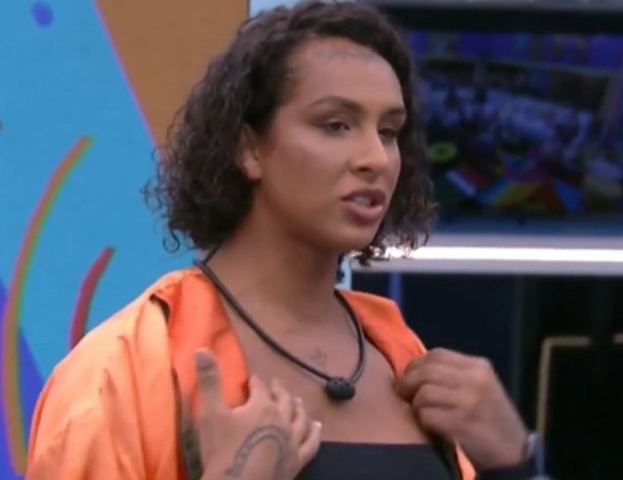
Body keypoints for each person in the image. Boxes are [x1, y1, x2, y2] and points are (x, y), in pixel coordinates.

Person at [26, 2, 543, 479]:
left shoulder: (402, 354)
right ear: (248, 148)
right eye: (336, 125)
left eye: (388, 131)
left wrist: (513, 464)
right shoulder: (123, 367)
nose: (376, 159)